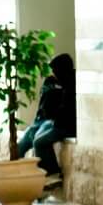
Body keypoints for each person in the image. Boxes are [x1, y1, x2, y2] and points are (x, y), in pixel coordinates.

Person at [18, 53, 76, 185]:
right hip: (51, 121)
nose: (53, 73)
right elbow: (45, 105)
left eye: (55, 70)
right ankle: (20, 177)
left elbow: (66, 109)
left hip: (62, 124)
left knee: (38, 141)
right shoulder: (52, 82)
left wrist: (54, 118)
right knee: (22, 145)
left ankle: (51, 174)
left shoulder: (71, 83)